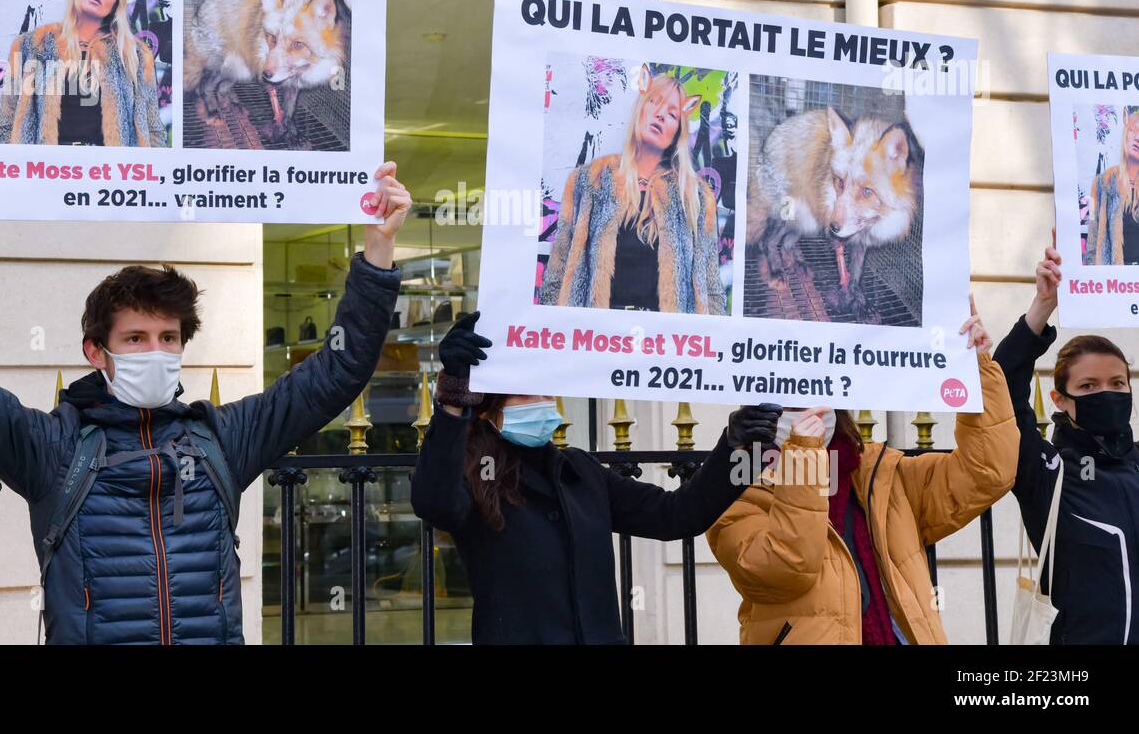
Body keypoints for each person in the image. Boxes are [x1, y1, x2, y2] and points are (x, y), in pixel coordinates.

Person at [0, 153, 411, 644]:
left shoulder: (221, 440)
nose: (156, 351)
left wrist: (378, 253)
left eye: (168, 338)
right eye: (136, 339)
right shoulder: (53, 448)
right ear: (96, 352)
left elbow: (335, 374)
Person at [409, 312, 774, 644]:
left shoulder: (579, 472)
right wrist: (453, 399)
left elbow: (677, 514)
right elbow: (434, 501)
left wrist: (740, 447)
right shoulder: (476, 475)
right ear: (489, 410)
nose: (542, 400)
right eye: (524, 393)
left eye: (544, 388)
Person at [707, 299, 1019, 644]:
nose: (798, 394)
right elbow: (786, 567)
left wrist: (974, 370)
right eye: (781, 382)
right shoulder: (735, 484)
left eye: (810, 378)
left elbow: (988, 472)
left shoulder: (880, 472)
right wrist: (804, 457)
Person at [993, 230, 1139, 644]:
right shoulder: (1047, 471)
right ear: (1060, 399)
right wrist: (1043, 305)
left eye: (1116, 383)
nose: (1106, 393)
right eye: (1089, 386)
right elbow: (1001, 388)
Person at [539, 68, 725, 314]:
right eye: (654, 102)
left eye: (671, 114)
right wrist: (547, 331)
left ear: (677, 132)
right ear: (640, 108)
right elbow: (557, 271)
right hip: (596, 342)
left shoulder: (696, 198)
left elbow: (711, 287)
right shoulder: (589, 181)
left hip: (665, 345)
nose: (660, 115)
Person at [0, 0, 166, 147]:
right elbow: (6, 124)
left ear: (116, 2)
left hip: (110, 175)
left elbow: (153, 131)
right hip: (45, 173)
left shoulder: (135, 55)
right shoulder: (29, 46)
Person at [1085, 107, 1139, 265]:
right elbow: (1093, 243)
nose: (1137, 138)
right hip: (1115, 286)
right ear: (1125, 133)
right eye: (1133, 130)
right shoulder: (1103, 183)